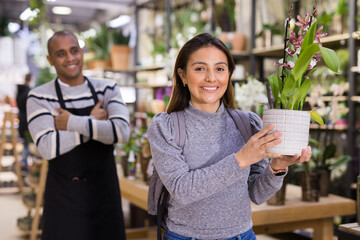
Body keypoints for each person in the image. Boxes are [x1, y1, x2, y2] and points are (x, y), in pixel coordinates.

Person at [147, 33, 311, 240]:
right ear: (183, 76)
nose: (211, 78)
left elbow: (256, 194)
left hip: (242, 235)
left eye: (220, 69)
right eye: (200, 68)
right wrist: (242, 158)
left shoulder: (247, 123)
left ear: (229, 75)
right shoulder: (165, 126)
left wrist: (277, 167)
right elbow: (182, 190)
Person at [26, 30, 130, 240]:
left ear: (82, 52)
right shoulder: (39, 96)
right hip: (64, 201)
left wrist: (71, 123)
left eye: (74, 51)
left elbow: (121, 131)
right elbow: (47, 146)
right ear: (50, 59)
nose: (70, 58)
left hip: (105, 196)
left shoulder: (107, 88)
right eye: (61, 53)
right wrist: (94, 124)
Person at [16, 73, 32, 171]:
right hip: (27, 121)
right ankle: (25, 166)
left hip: (21, 119)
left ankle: (24, 163)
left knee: (24, 144)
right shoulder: (28, 92)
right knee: (27, 145)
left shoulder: (19, 92)